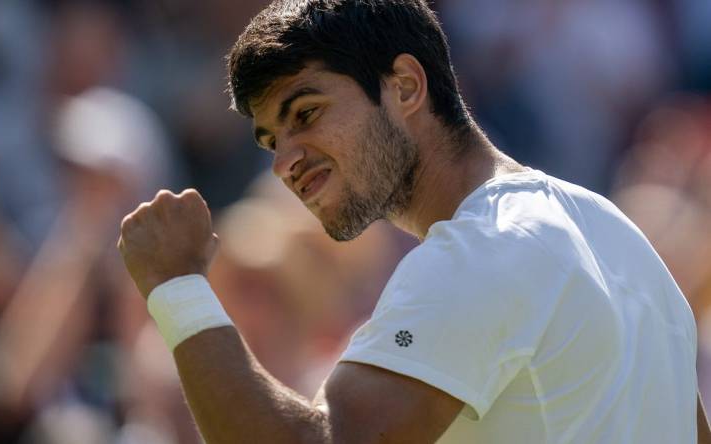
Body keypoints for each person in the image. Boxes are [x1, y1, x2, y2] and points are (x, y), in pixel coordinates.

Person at [116, 1, 708, 442]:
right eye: (271, 139)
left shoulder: (481, 250)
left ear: (404, 86)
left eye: (307, 113)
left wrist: (179, 287)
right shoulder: (617, 233)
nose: (285, 163)